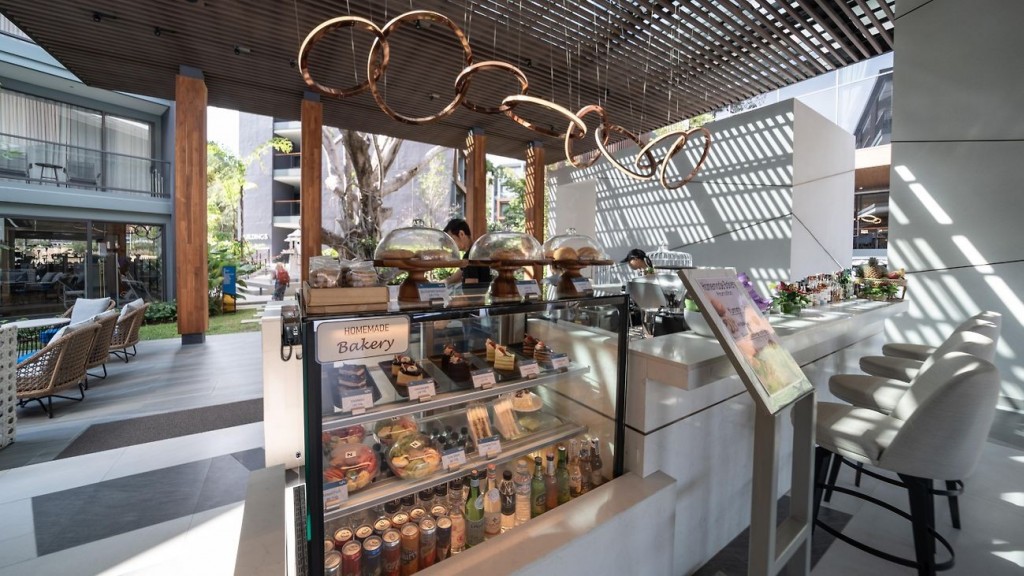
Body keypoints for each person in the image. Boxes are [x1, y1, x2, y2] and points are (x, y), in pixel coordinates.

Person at [443, 218, 491, 291]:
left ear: (461, 234)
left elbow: (471, 289)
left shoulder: (470, 256)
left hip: (478, 297)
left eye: (452, 239)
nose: (451, 244)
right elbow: (460, 274)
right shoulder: (479, 251)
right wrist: (441, 284)